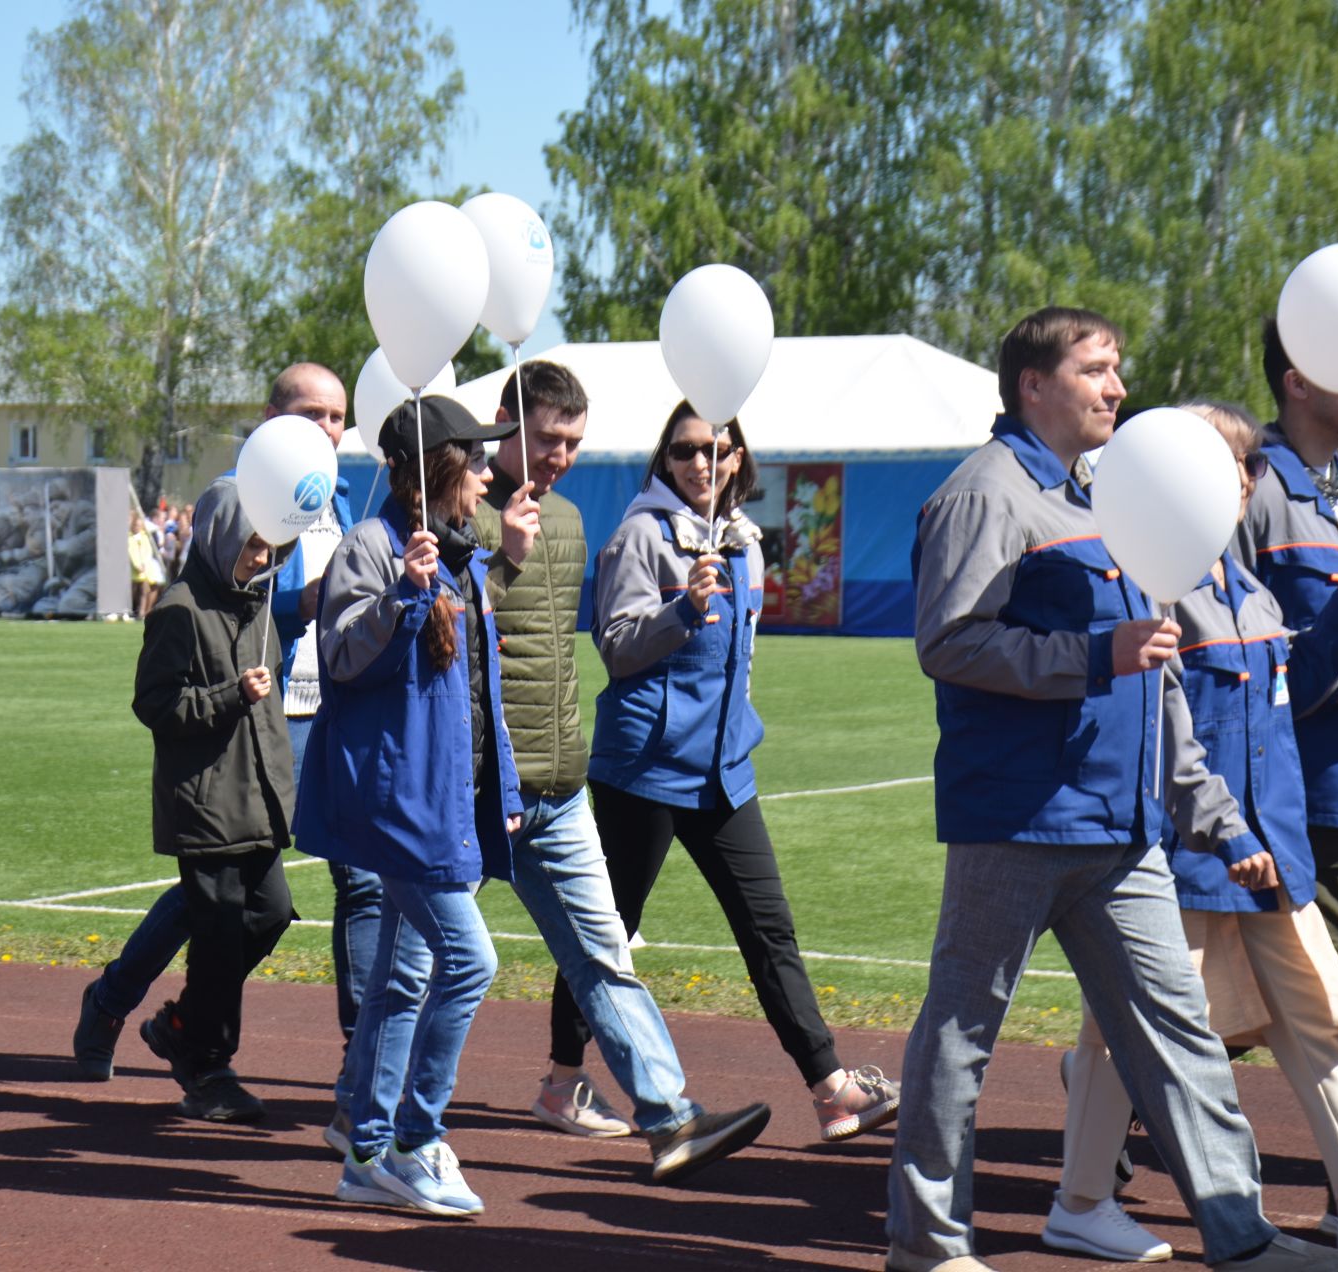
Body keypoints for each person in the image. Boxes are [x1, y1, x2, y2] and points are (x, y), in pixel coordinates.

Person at [888, 308, 1325, 1271]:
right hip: (1017, 819)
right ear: (1033, 386)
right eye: (1096, 371)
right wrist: (1092, 654)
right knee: (961, 1036)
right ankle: (926, 1244)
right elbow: (949, 643)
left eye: (1117, 369)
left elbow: (1155, 677)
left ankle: (1241, 1236)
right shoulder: (984, 494)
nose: (1118, 388)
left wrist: (1208, 816)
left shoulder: (1103, 495)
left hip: (1122, 831)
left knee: (1180, 1038)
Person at [1048, 400, 1338, 1263]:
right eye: (1223, 462)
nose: (1242, 478)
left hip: (1269, 857)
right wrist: (1218, 833)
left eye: (1248, 465)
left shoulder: (1250, 594)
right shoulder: (1145, 591)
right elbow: (1161, 739)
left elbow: (1283, 726)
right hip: (1187, 860)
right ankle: (1080, 1200)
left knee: (1322, 1020)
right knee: (1121, 1033)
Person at [569, 397, 900, 1143]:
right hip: (644, 768)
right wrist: (680, 611)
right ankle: (562, 1081)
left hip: (722, 771)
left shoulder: (745, 543)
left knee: (768, 927)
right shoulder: (639, 536)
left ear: (739, 461)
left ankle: (832, 1088)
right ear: (665, 460)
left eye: (717, 451)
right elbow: (618, 649)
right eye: (685, 451)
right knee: (606, 931)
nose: (701, 464)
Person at [472, 361, 771, 1179]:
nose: (559, 455)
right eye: (544, 438)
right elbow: (452, 645)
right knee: (433, 966)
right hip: (468, 787)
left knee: (605, 952)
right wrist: (497, 557)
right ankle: (370, 1115)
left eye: (573, 441)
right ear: (504, 423)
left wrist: (563, 762)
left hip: (558, 785)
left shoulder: (568, 521)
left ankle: (670, 1119)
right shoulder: (454, 509)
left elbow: (562, 663)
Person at [71, 364, 355, 1082]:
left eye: (337, 416)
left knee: (326, 888)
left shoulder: (342, 500)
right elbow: (243, 604)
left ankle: (353, 1049)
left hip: (332, 718)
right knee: (216, 892)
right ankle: (125, 1001)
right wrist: (303, 605)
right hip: (258, 717)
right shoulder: (246, 497)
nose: (326, 429)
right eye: (310, 414)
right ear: (269, 419)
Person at [296, 395, 522, 1217]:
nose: (493, 471)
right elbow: (342, 657)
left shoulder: (463, 554)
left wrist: (501, 793)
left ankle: (365, 1154)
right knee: (471, 963)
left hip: (444, 800)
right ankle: (415, 1139)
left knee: (406, 974)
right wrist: (403, 596)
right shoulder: (373, 546)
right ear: (436, 470)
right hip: (398, 805)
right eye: (478, 457)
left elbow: (477, 691)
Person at [128, 479, 297, 1122]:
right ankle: (207, 1067)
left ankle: (181, 1025)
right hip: (206, 804)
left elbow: (272, 708)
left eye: (268, 546)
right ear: (223, 535)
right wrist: (228, 694)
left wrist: (283, 787)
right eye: (252, 546)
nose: (260, 558)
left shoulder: (258, 601)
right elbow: (154, 704)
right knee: (220, 936)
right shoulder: (178, 608)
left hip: (256, 800)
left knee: (272, 914)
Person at [1239, 319, 1338, 960]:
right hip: (1309, 804)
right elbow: (1241, 668)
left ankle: (1104, 1066)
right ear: (1298, 382)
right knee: (1311, 1015)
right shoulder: (1251, 487)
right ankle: (1105, 1066)